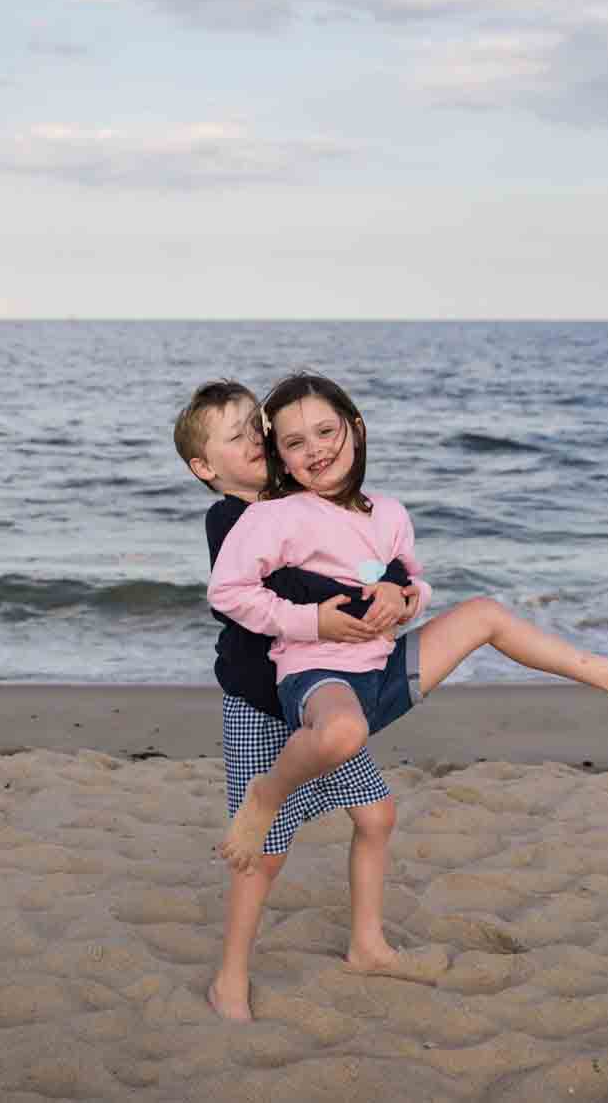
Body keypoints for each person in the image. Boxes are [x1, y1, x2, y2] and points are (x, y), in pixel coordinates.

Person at [207, 371, 608, 874]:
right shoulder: (277, 516)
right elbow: (227, 593)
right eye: (295, 442)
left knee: (485, 613)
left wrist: (403, 600)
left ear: (354, 428)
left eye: (325, 432)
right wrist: (312, 622)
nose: (315, 449)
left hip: (381, 673)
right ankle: (266, 795)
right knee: (342, 733)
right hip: (319, 678)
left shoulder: (390, 514)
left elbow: (417, 584)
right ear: (281, 458)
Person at [173, 380, 418, 1021]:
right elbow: (283, 591)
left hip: (315, 701)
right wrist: (348, 603)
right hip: (261, 703)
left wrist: (394, 581)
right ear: (205, 468)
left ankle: (367, 944)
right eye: (237, 438)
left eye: (258, 431)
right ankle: (230, 979)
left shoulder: (289, 503)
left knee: (378, 815)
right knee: (265, 849)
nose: (255, 442)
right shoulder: (233, 519)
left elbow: (351, 550)